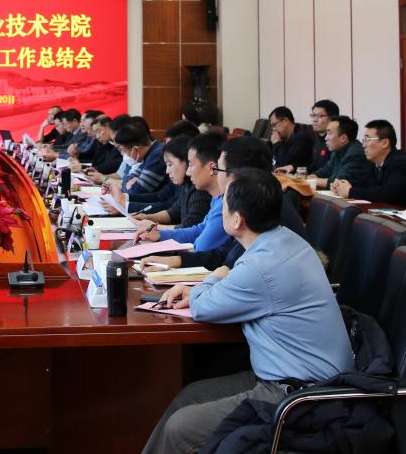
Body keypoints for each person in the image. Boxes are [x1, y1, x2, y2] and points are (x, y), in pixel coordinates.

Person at [141, 169, 354, 454]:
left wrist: (215, 276)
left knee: (181, 428)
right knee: (188, 397)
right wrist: (215, 283)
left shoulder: (260, 267)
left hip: (302, 397)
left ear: (237, 220)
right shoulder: (286, 240)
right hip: (290, 376)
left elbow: (202, 308)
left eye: (224, 205)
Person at [135, 132, 228, 252]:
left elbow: (200, 247)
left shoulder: (224, 204)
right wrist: (160, 234)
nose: (188, 172)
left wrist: (174, 256)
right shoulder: (216, 199)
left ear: (211, 168)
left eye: (191, 165)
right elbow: (199, 230)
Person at [330, 119, 406, 208]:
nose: (363, 145)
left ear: (384, 143)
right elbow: (365, 184)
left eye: (367, 140)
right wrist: (341, 186)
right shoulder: (375, 163)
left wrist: (350, 191)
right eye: (363, 140)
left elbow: (386, 194)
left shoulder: (402, 162)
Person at [132, 137, 211, 230]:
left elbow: (189, 228)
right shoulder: (187, 186)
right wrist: (147, 217)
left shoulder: (200, 191)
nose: (167, 171)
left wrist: (154, 227)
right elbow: (173, 213)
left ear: (187, 162)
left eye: (170, 164)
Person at [113, 123, 172, 207]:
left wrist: (131, 182)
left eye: (123, 150)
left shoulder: (157, 155)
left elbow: (135, 192)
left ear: (135, 149)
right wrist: (130, 181)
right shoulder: (150, 152)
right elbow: (127, 178)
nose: (123, 154)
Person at [315, 115, 373, 189]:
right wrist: (313, 176)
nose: (326, 138)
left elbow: (339, 182)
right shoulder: (337, 150)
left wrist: (311, 180)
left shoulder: (356, 154)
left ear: (343, 138)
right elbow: (326, 170)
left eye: (329, 133)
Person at [269, 106, 314, 171]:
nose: (273, 129)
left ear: (285, 121)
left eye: (274, 125)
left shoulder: (301, 137)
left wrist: (277, 143)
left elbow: (285, 164)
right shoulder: (283, 137)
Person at [307, 99, 339, 173]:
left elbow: (330, 170)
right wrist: (294, 167)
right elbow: (314, 166)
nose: (314, 120)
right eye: (313, 115)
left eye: (320, 116)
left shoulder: (336, 142)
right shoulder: (316, 139)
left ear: (332, 118)